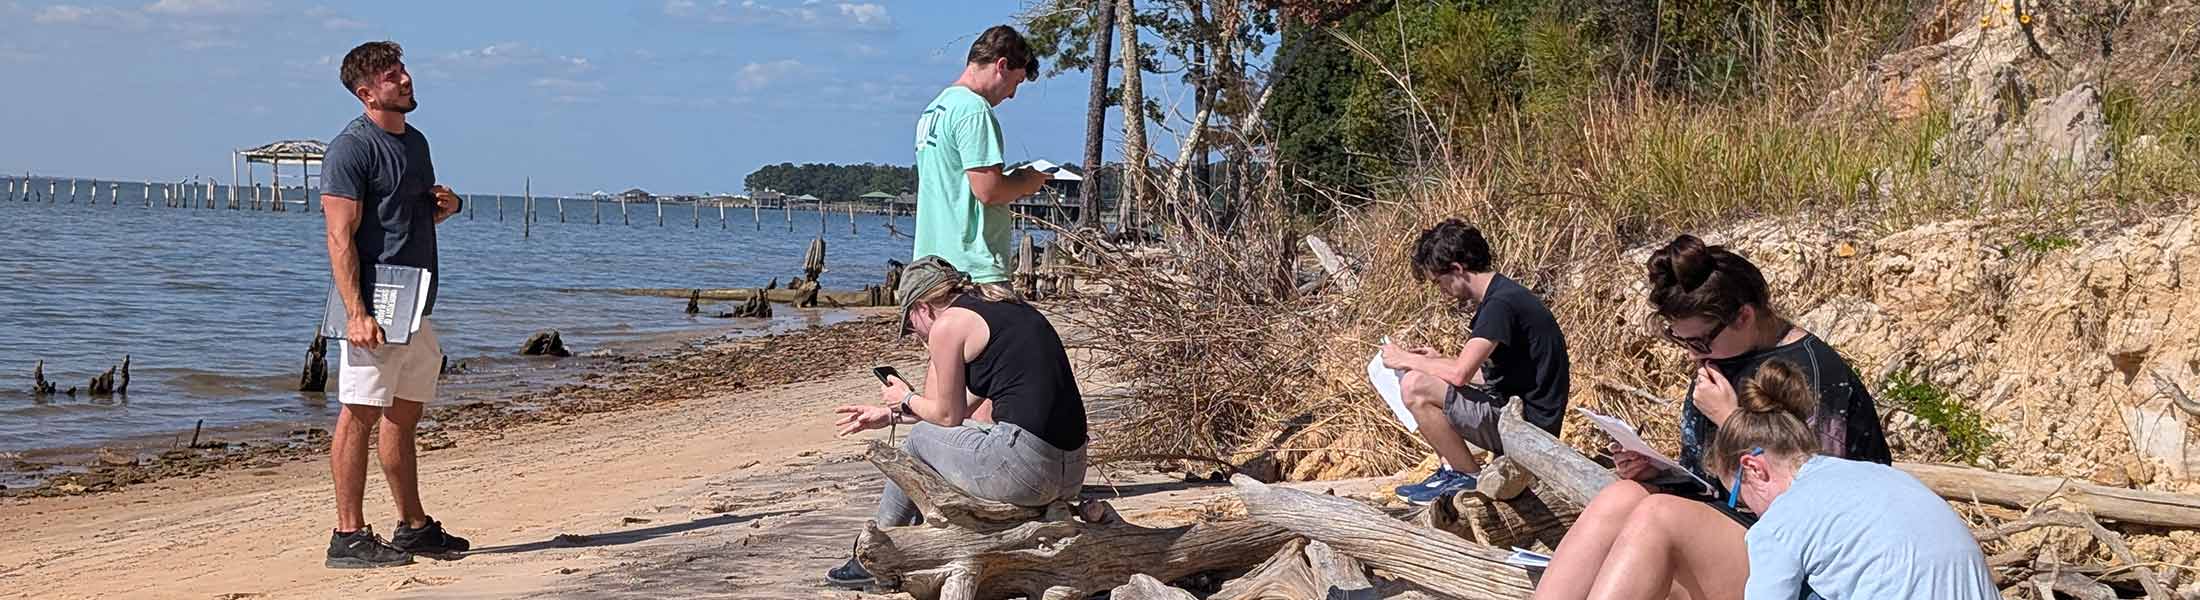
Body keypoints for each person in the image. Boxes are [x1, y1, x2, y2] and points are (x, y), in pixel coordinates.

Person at [1535, 234, 1891, 600]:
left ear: (1744, 316)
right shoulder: (1722, 357)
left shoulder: (1814, 375)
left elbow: (1814, 495)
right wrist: (1660, 472)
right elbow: (1709, 482)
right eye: (1681, 341)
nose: (1692, 355)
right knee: (1622, 496)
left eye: (1700, 342)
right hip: (1739, 527)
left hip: (1810, 556)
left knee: (1659, 517)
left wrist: (1729, 417)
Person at [824, 255, 1090, 587]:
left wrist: (904, 397)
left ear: (922, 307)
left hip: (1026, 471)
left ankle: (874, 556)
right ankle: (914, 536)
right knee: (933, 433)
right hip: (1071, 472)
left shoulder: (949, 324)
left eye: (909, 325)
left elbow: (945, 418)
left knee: (920, 438)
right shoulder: (1009, 309)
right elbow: (958, 412)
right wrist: (889, 415)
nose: (916, 335)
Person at [319, 40, 470, 569]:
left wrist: (447, 207)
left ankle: (412, 527)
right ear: (366, 93)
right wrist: (356, 312)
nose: (405, 79)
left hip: (418, 300)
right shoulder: (350, 148)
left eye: (403, 70)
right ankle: (348, 535)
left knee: (403, 414)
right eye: (391, 75)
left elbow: (409, 216)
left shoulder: (417, 142)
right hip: (377, 303)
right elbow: (340, 235)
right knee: (358, 412)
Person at [1703, 360, 1997, 600]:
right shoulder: (1879, 475)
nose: (1751, 513)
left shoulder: (1781, 521)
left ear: (1754, 468)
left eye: (1739, 499)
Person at [1380, 219, 1571, 505]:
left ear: (1457, 270)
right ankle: (1451, 470)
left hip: (1526, 429)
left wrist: (1405, 359)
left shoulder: (1499, 305)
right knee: (1423, 376)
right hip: (1526, 419)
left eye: (1439, 282)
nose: (1441, 291)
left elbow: (1459, 374)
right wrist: (1435, 360)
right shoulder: (1506, 295)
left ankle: (1465, 476)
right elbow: (1488, 374)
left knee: (1414, 385)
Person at [912, 25, 1052, 295]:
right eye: (1017, 81)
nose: (1012, 94)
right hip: (972, 269)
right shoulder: (974, 110)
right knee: (1009, 337)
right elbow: (989, 191)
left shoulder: (935, 108)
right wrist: (1027, 181)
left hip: (930, 268)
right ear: (1001, 65)